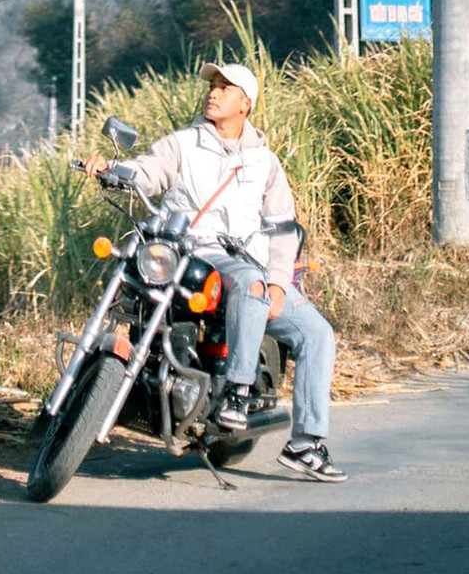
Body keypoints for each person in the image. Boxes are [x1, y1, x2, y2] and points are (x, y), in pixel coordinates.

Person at [81, 61, 345, 482]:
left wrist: (280, 283)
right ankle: (236, 395)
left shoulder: (265, 163)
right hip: (196, 254)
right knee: (249, 283)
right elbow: (148, 172)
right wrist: (112, 171)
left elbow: (282, 230)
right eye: (212, 85)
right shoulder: (183, 144)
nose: (214, 92)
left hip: (254, 265)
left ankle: (306, 444)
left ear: (246, 103)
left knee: (317, 333)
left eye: (225, 87)